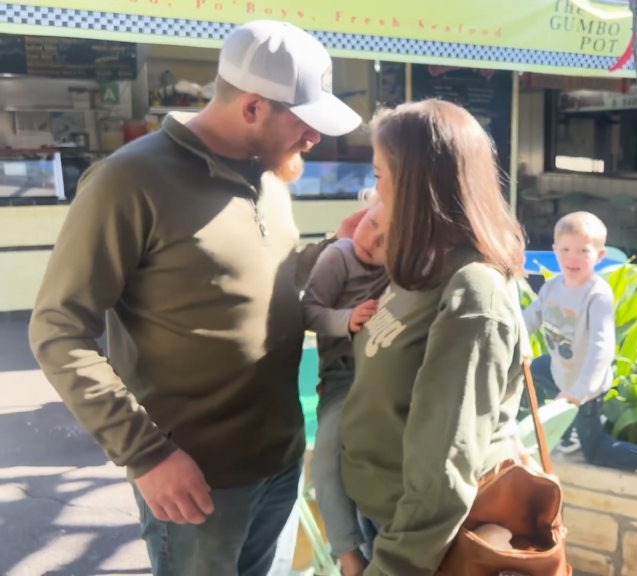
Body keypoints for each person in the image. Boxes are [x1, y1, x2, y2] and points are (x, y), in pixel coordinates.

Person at [28, 20, 364, 576]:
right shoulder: (127, 181)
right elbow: (57, 331)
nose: (314, 140)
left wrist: (341, 248)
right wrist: (145, 453)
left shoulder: (271, 176)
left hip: (279, 460)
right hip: (193, 478)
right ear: (253, 108)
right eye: (305, 122)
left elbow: (263, 277)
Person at [339, 99, 528, 576]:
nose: (372, 191)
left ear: (415, 184)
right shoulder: (422, 267)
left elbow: (446, 466)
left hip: (417, 547)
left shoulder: (473, 289)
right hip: (379, 520)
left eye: (380, 176)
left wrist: (392, 566)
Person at [523, 211, 637, 471]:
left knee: (594, 450)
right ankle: (555, 430)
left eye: (583, 251)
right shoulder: (552, 287)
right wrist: (511, 340)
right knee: (526, 370)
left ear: (599, 255)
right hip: (559, 368)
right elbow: (529, 319)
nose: (572, 257)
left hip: (587, 383)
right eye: (565, 249)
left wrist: (579, 392)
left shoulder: (597, 294)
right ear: (555, 251)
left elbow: (601, 349)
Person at [301, 190, 389, 575]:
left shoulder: (402, 269)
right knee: (327, 460)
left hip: (386, 377)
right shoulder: (339, 256)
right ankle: (348, 555)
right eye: (371, 225)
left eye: (388, 239)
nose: (371, 242)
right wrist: (347, 320)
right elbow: (308, 310)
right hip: (344, 375)